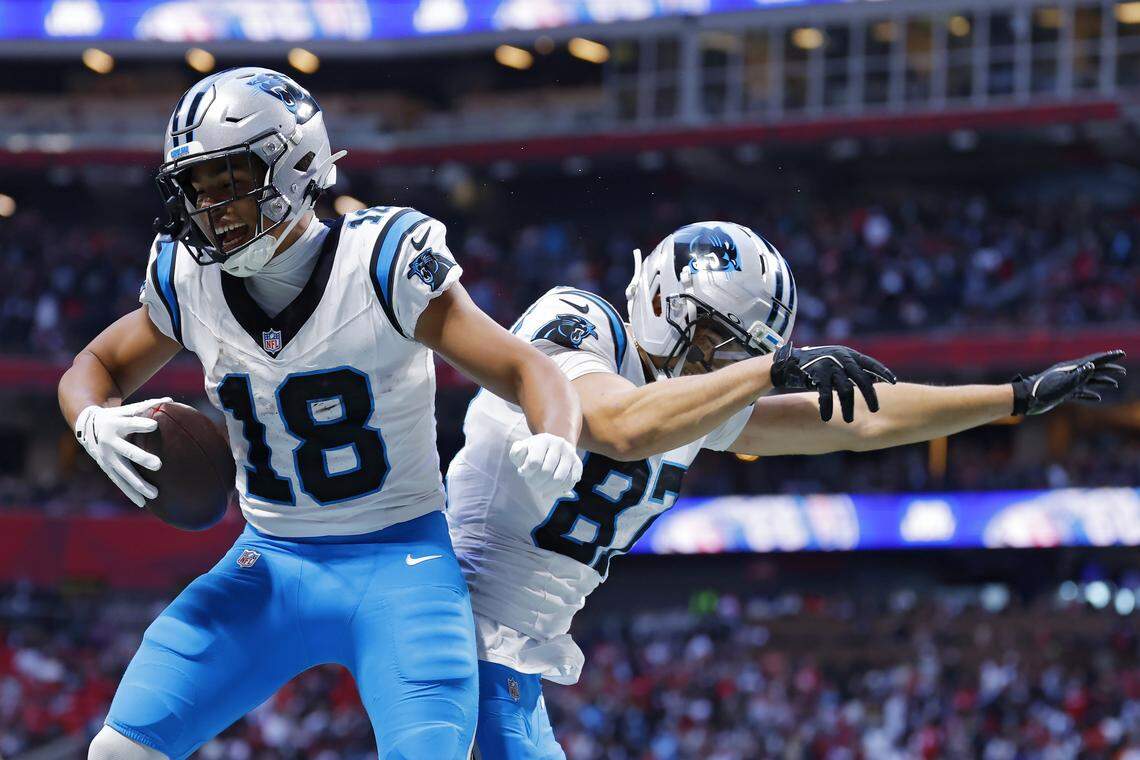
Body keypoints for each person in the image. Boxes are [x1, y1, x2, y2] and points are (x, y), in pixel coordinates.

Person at [445, 220, 1126, 759]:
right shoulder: (579, 320)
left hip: (516, 651)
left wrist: (1012, 396)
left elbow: (863, 420)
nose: (722, 366)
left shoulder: (695, 405)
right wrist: (769, 370)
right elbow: (617, 426)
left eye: (738, 354)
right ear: (660, 298)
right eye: (716, 341)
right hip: (448, 613)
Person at [57, 67, 584, 760]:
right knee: (119, 752)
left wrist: (559, 432)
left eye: (229, 179)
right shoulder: (189, 278)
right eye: (198, 187)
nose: (212, 207)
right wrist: (91, 419)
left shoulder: (381, 262)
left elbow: (526, 366)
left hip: (403, 559)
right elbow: (91, 367)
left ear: (297, 163)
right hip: (271, 561)